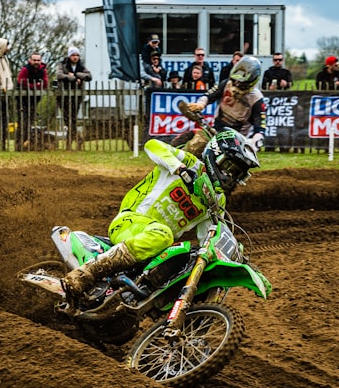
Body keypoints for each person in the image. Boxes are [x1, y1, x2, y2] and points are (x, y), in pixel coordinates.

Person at [61, 128, 260, 303]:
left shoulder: (216, 201)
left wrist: (234, 258)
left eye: (239, 174)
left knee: (187, 259)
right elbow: (152, 145)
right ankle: (86, 273)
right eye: (232, 169)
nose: (233, 177)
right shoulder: (189, 162)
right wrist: (179, 169)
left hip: (154, 248)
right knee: (164, 234)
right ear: (217, 156)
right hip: (130, 222)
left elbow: (210, 234)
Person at [182, 55, 267, 157]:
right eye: (236, 81)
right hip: (215, 130)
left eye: (242, 84)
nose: (237, 85)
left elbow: (260, 129)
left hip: (236, 141)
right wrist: (200, 104)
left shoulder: (257, 99)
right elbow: (210, 95)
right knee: (194, 147)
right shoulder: (227, 83)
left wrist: (252, 147)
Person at [55, 46, 92, 149]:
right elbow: (59, 75)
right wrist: (72, 78)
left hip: (76, 96)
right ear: (69, 56)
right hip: (63, 96)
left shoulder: (81, 66)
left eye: (77, 55)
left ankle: (69, 143)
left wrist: (75, 75)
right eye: (73, 55)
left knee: (73, 119)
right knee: (68, 119)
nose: (75, 57)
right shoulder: (63, 65)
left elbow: (89, 76)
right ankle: (77, 139)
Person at [15, 53, 48, 150]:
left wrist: (35, 86)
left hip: (35, 100)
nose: (36, 62)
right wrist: (35, 86)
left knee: (30, 122)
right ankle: (19, 144)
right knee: (22, 122)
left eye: (38, 60)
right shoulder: (25, 70)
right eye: (34, 60)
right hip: (23, 100)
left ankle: (27, 144)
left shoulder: (43, 70)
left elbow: (45, 83)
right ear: (30, 60)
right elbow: (21, 81)